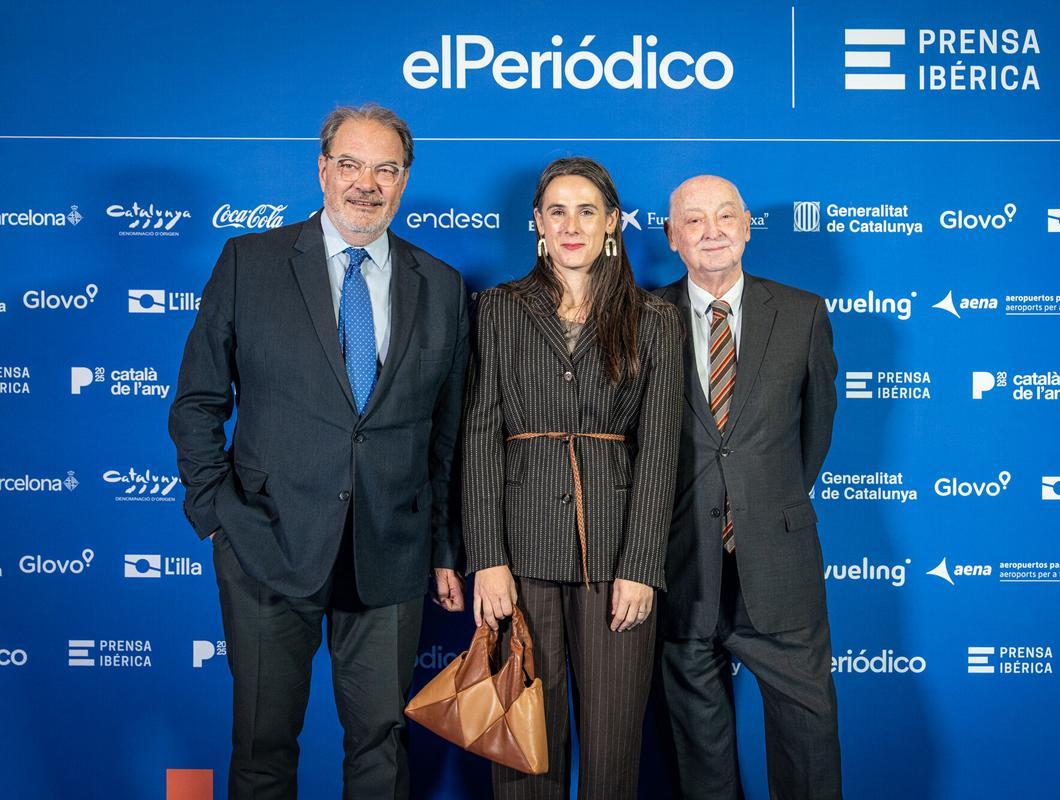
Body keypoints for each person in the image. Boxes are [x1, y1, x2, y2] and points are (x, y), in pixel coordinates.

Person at [168, 103, 468, 800]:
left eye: (385, 168)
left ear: (405, 179)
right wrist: (219, 513)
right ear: (323, 170)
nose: (367, 183)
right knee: (263, 746)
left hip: (390, 551)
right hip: (266, 545)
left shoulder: (444, 286)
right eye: (351, 165)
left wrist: (444, 544)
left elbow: (448, 432)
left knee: (381, 746)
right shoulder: (251, 261)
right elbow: (197, 402)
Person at [462, 156, 684, 798]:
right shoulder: (497, 309)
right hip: (519, 559)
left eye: (587, 210)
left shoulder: (656, 321)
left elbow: (660, 451)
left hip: (616, 561)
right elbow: (478, 437)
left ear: (613, 222)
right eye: (556, 210)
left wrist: (642, 564)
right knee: (524, 753)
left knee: (614, 754)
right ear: (536, 222)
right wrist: (488, 558)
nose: (571, 224)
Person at [654, 175, 842, 799]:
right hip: (681, 566)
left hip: (778, 559)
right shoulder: (643, 317)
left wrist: (761, 503)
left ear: (746, 227)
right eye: (695, 220)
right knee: (701, 754)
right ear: (672, 236)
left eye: (726, 216)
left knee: (808, 748)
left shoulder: (802, 313)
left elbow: (813, 436)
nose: (712, 231)